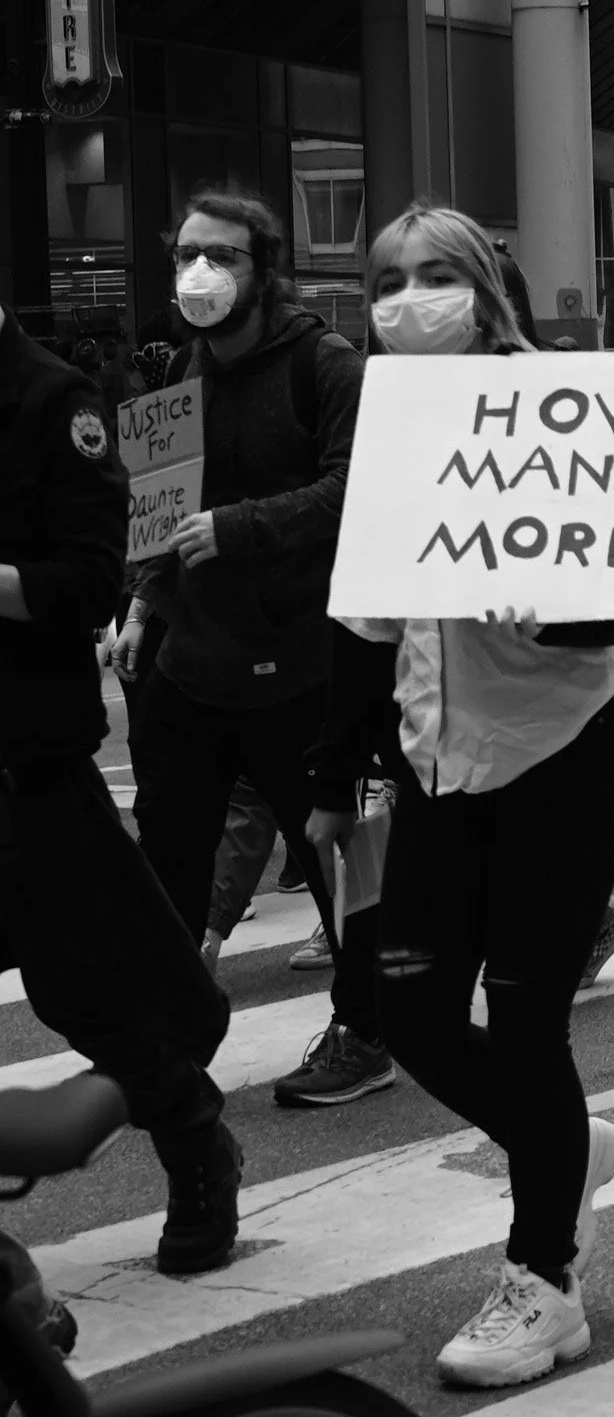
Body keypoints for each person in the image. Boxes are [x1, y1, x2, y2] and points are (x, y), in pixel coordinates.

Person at [306, 204, 614, 1386]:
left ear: (484, 285)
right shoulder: (384, 423)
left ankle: (544, 1281)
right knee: (412, 1014)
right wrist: (334, 780)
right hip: (431, 763)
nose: (409, 296)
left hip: (561, 749)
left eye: (435, 273)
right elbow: (363, 623)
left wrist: (550, 602)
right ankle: (563, 1146)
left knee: (528, 1014)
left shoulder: (566, 403)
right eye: (388, 277)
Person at [112, 190, 389, 1110]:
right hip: (193, 665)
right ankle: (171, 1040)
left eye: (222, 256)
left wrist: (242, 528)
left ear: (263, 269)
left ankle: (367, 1029)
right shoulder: (177, 380)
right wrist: (147, 603)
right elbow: (163, 516)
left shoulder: (325, 365)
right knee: (170, 860)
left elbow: (357, 489)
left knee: (331, 856)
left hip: (303, 666)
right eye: (188, 253)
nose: (201, 273)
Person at [0, 297, 238, 1273]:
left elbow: (87, 582)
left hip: (26, 759)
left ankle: (192, 1139)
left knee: (83, 989)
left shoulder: (52, 401)